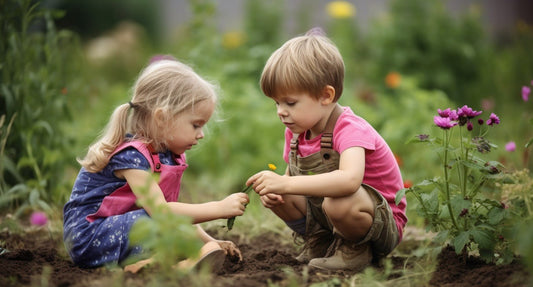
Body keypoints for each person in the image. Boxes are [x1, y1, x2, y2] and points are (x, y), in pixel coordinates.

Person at [63, 57, 249, 270]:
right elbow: (162, 213)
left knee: (165, 221)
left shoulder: (166, 155)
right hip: (89, 239)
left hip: (123, 230)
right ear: (162, 118)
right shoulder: (132, 157)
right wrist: (219, 208)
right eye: (196, 125)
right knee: (158, 219)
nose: (201, 135)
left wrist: (212, 243)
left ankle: (151, 264)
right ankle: (163, 264)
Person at [246, 29, 407, 272]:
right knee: (281, 194)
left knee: (338, 202)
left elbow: (349, 181)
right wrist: (279, 190)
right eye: (276, 103)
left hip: (381, 225)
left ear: (325, 95)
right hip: (333, 217)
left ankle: (356, 250)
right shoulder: (297, 131)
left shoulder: (350, 129)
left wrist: (285, 184)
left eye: (290, 102)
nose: (280, 110)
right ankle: (321, 244)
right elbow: (292, 181)